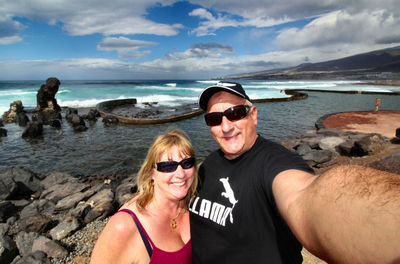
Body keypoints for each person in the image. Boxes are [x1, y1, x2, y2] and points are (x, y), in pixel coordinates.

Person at [189, 81, 400, 264]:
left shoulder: (274, 162)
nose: (225, 126)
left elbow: (305, 195)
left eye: (235, 113)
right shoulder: (209, 163)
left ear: (253, 115)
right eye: (214, 119)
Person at [91, 129, 198, 264]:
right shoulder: (124, 226)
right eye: (168, 166)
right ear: (151, 173)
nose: (181, 174)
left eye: (187, 163)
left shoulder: (194, 204)